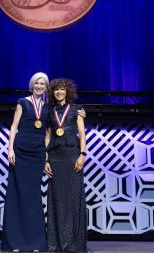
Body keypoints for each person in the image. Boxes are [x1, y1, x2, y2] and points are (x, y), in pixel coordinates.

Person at [1, 72, 49, 252]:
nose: (39, 86)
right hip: (20, 152)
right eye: (37, 83)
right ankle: (15, 242)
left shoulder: (47, 108)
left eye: (42, 84)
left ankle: (35, 243)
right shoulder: (23, 102)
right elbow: (14, 126)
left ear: (46, 87)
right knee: (17, 195)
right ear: (31, 85)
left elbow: (47, 133)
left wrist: (46, 155)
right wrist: (10, 149)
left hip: (37, 154)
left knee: (33, 197)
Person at [45, 78, 89, 253]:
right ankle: (55, 243)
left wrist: (82, 155)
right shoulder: (50, 111)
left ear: (67, 91)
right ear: (53, 93)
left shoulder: (77, 110)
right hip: (55, 157)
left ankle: (73, 243)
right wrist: (46, 159)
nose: (59, 92)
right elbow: (47, 136)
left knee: (72, 199)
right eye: (56, 90)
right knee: (56, 199)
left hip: (72, 156)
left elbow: (81, 133)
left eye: (62, 89)